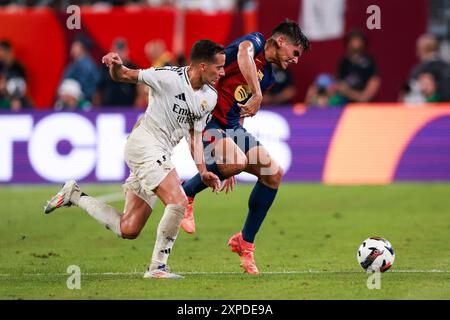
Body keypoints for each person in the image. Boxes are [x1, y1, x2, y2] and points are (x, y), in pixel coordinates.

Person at [43, 39, 226, 279]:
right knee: (179, 201)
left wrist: (202, 171)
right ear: (203, 66)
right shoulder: (168, 77)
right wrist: (115, 65)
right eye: (219, 67)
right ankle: (158, 268)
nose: (222, 72)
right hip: (145, 144)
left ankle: (74, 195)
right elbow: (125, 76)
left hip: (161, 152)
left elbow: (194, 136)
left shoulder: (209, 97)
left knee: (128, 228)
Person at [180, 19, 310, 274]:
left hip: (231, 126)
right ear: (281, 41)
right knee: (234, 162)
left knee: (274, 174)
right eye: (295, 53)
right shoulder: (255, 42)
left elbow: (241, 108)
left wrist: (226, 164)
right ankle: (187, 192)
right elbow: (243, 55)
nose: (295, 60)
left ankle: (245, 243)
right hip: (207, 119)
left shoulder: (269, 75)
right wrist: (258, 94)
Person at [336, 30, 380, 103]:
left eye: (358, 40)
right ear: (348, 43)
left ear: (363, 43)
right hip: (345, 104)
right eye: (353, 40)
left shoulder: (369, 62)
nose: (356, 43)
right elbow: (339, 85)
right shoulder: (344, 62)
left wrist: (352, 94)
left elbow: (367, 94)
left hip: (364, 106)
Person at [408, 34, 450, 102]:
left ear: (421, 50)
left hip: (426, 110)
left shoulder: (419, 70)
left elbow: (409, 96)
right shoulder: (446, 67)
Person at [98, 38, 138, 106]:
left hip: (128, 108)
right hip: (108, 107)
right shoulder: (105, 68)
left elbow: (139, 89)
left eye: (122, 51)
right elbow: (99, 88)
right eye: (117, 51)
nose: (119, 54)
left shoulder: (133, 67)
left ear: (127, 52)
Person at [62, 34, 101, 101]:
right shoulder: (77, 63)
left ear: (82, 48)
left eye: (75, 45)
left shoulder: (85, 65)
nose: (72, 48)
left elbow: (86, 88)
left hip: (81, 103)